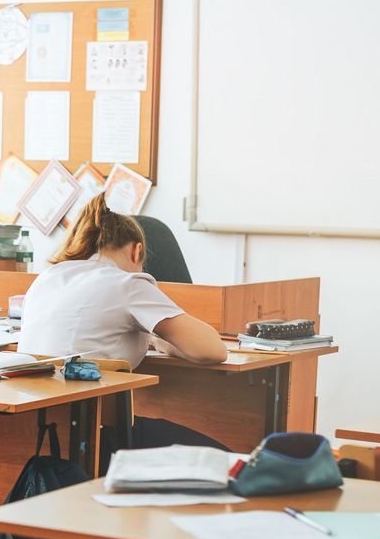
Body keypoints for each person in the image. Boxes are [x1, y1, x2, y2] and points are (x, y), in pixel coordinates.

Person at [18, 192, 230, 451]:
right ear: (136, 250)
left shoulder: (46, 279)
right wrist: (161, 342)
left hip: (39, 432)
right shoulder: (127, 283)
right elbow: (212, 350)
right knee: (226, 458)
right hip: (100, 438)